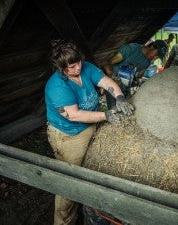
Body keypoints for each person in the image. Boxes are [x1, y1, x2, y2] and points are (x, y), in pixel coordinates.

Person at [45, 39, 134, 225]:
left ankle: (85, 204)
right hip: (69, 135)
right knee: (69, 181)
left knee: (87, 169)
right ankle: (64, 221)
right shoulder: (57, 86)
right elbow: (74, 115)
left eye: (78, 63)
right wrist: (106, 115)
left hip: (89, 125)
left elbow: (106, 81)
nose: (77, 68)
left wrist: (119, 97)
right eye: (71, 67)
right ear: (61, 68)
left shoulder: (86, 68)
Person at [103, 39, 168, 108]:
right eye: (156, 54)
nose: (155, 58)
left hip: (125, 89)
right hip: (113, 86)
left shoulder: (148, 62)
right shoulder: (131, 49)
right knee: (113, 109)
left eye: (157, 57)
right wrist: (113, 76)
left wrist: (137, 82)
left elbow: (139, 76)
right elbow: (107, 63)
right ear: (152, 46)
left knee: (125, 111)